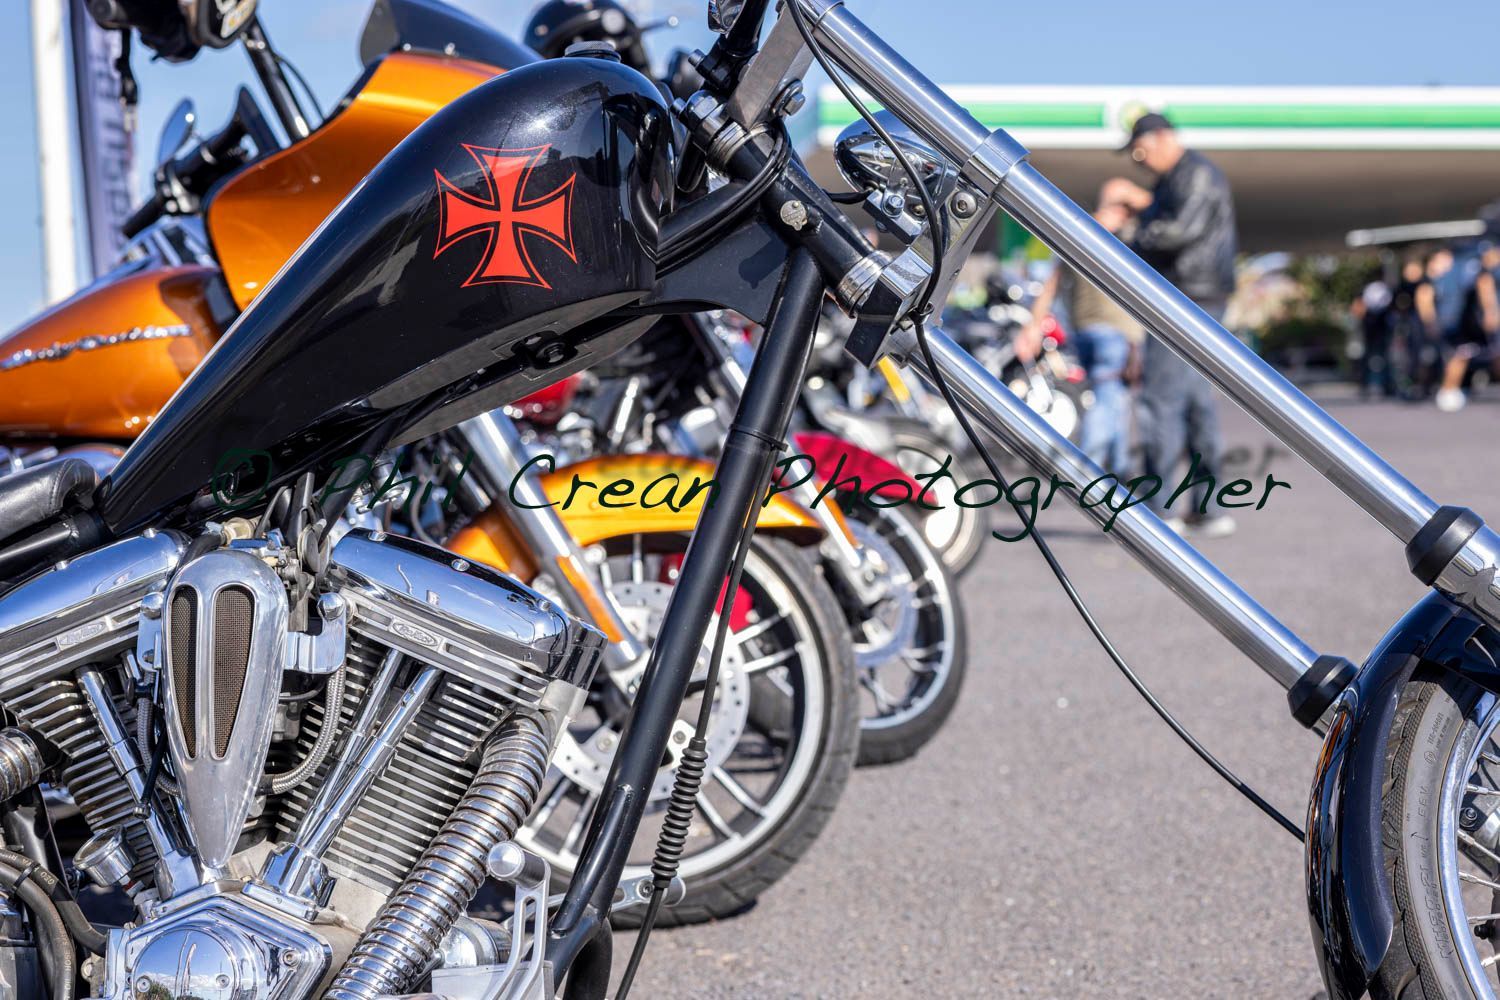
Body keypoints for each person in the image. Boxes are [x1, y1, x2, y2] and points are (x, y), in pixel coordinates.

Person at [1101, 112, 1238, 538]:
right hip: (1199, 298)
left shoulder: (1194, 174)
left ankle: (1159, 509)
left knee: (1160, 401)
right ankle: (1208, 508)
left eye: (1140, 149)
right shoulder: (1179, 178)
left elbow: (1178, 232)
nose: (1137, 159)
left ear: (1161, 138)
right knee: (1195, 402)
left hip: (1184, 299)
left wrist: (1125, 234)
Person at [1018, 204, 1144, 475]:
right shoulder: (1122, 244)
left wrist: (1034, 324)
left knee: (1114, 399)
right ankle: (1088, 470)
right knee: (1107, 399)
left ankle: (1119, 468)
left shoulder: (1076, 240)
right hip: (1113, 333)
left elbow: (1050, 285)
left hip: (1084, 331)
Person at [1434, 244, 1500, 412]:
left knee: (1464, 354)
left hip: (1462, 321)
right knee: (1464, 354)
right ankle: (1447, 391)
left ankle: (1447, 391)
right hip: (1471, 323)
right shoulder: (1479, 269)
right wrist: (1490, 311)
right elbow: (1485, 287)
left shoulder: (1460, 268)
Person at [1389, 255, 1438, 398]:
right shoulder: (1402, 286)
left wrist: (1430, 323)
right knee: (1409, 358)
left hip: (1420, 325)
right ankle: (1412, 386)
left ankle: (1424, 386)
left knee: (1423, 357)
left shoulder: (1424, 283)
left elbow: (1426, 306)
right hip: (1408, 326)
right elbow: (1395, 306)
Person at [1352, 276, 1395, 398]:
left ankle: (1384, 385)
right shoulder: (1368, 291)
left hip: (1381, 329)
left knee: (1384, 357)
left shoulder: (1384, 291)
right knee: (1369, 357)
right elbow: (1357, 307)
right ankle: (1366, 385)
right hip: (1371, 328)